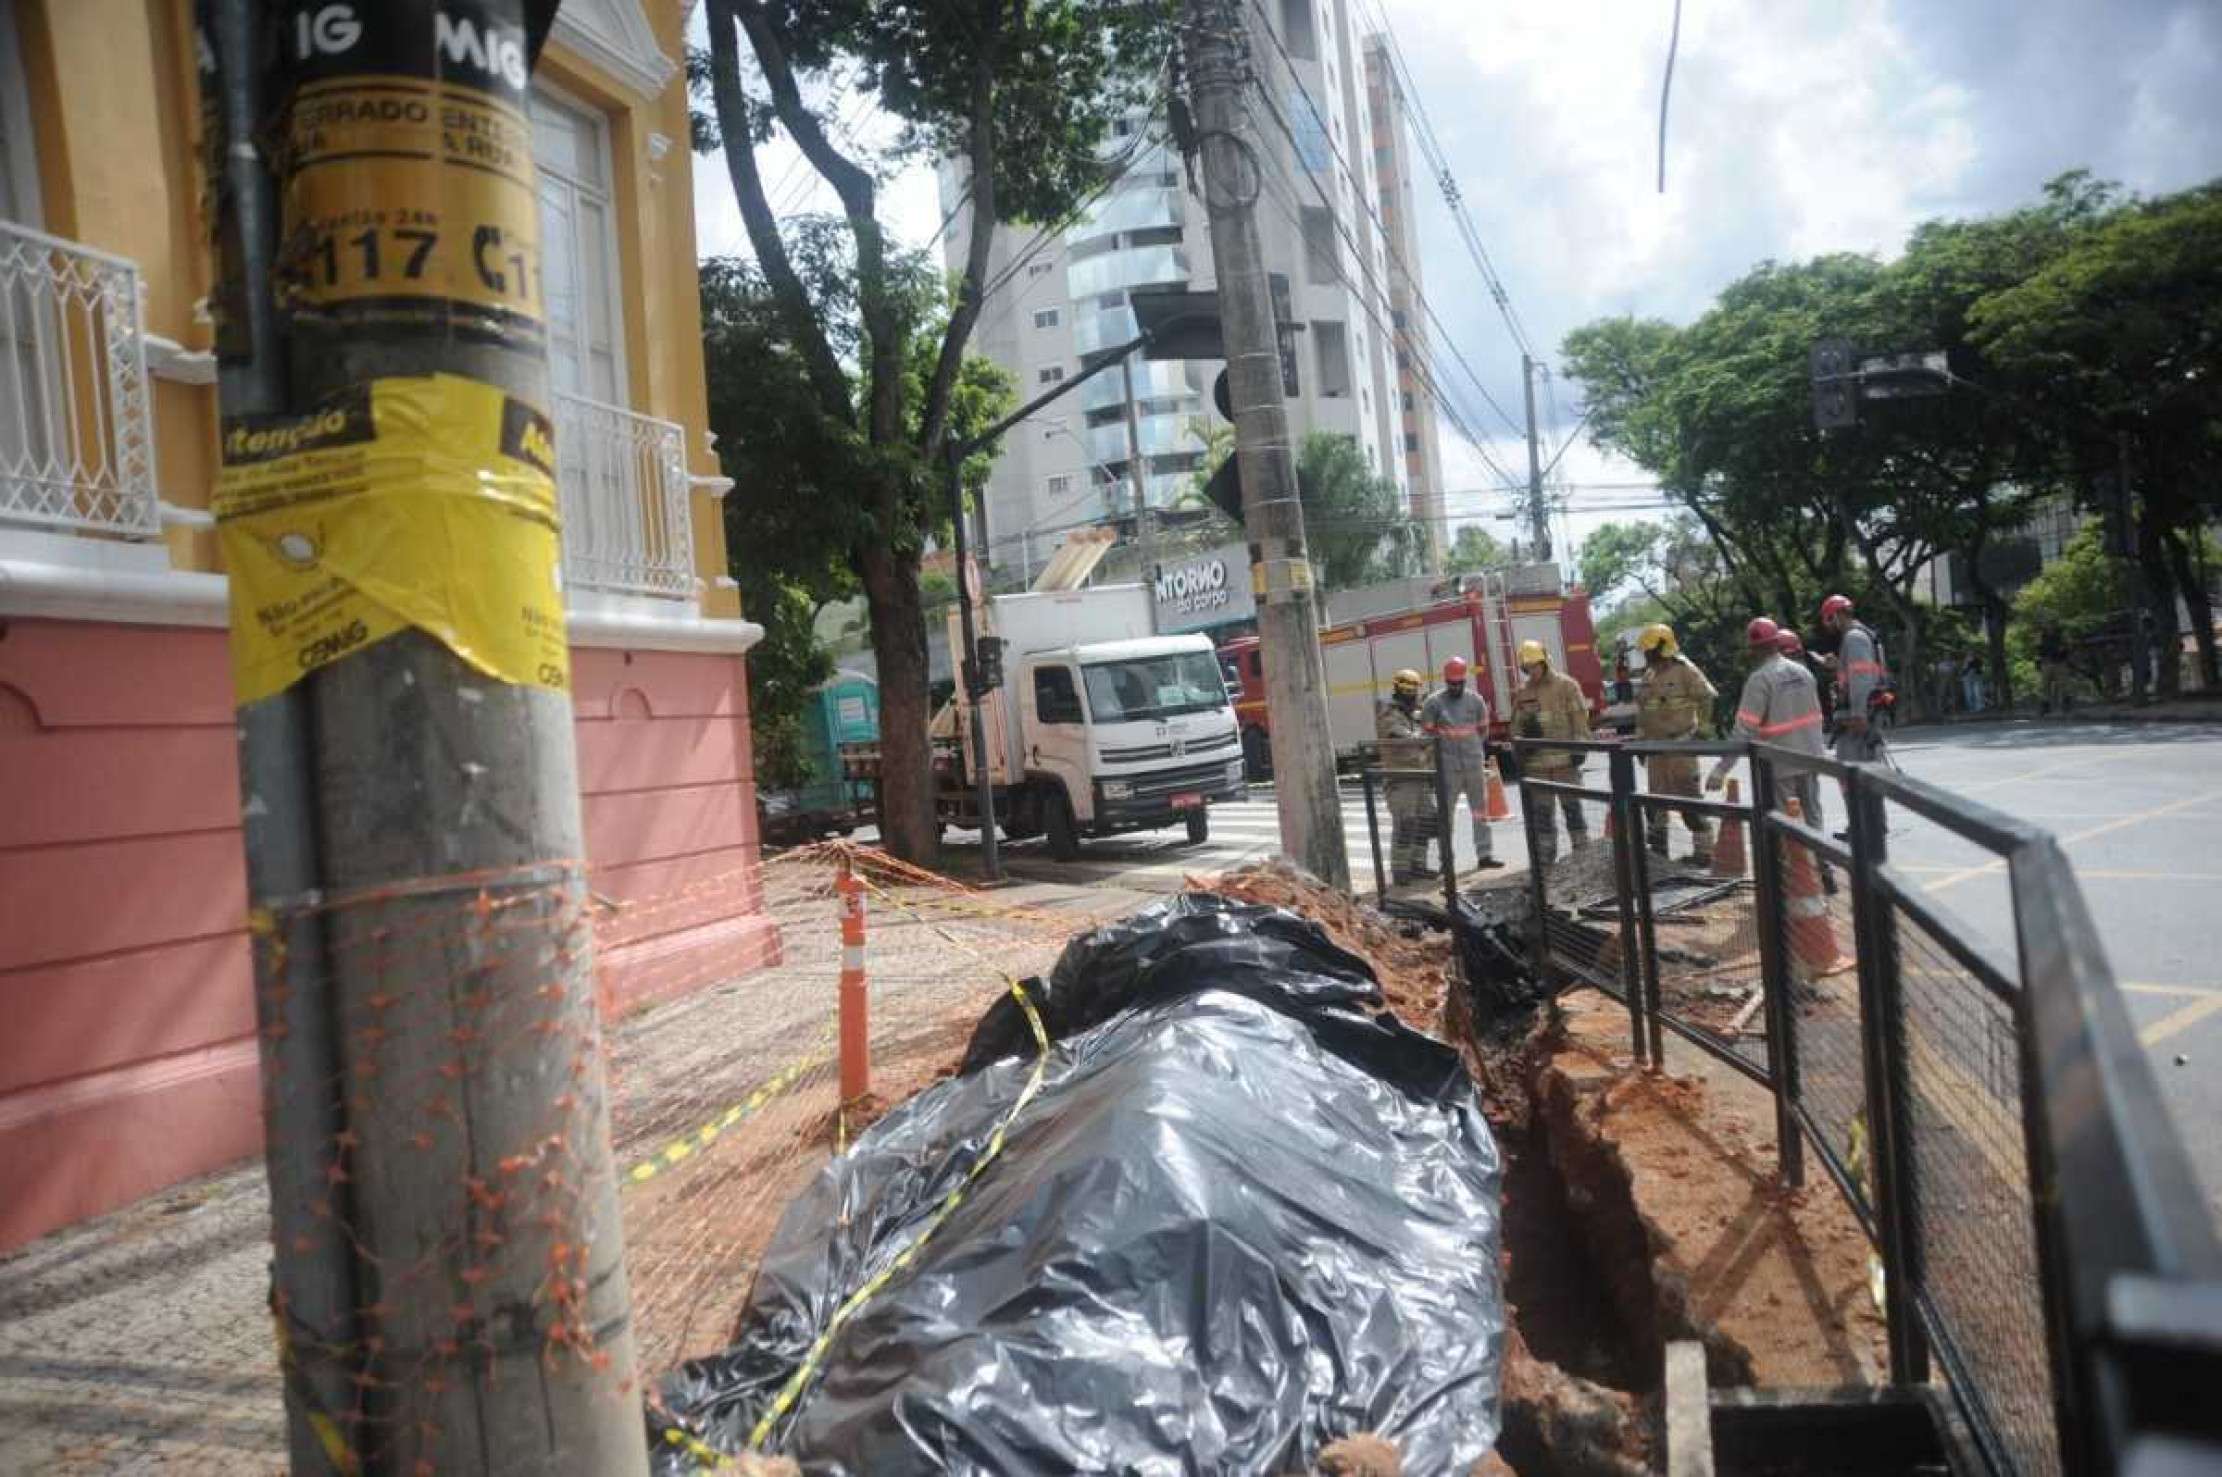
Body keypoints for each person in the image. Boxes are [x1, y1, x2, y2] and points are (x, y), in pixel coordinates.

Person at [1707, 617, 1829, 838]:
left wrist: (1721, 769)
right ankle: (1822, 867)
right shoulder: (1803, 673)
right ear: (1776, 642)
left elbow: (1744, 730)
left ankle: (1793, 871)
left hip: (1780, 762)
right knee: (1813, 817)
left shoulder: (1760, 679)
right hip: (1810, 757)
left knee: (1785, 824)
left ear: (1753, 648)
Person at [1633, 622, 1717, 867]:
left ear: (1663, 647)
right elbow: (1643, 711)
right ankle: (1659, 857)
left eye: (1650, 651)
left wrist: (1701, 730)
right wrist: (1640, 740)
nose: (1647, 656)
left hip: (1681, 746)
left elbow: (1707, 698)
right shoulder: (1649, 676)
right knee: (1656, 805)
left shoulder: (1685, 670)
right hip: (1656, 750)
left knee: (1689, 802)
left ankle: (1704, 854)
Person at [1511, 639, 1592, 864]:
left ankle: (1582, 857)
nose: (1532, 671)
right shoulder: (1523, 692)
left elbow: (1579, 718)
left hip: (1565, 763)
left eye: (1535, 665)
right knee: (1543, 817)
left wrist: (1581, 746)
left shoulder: (1567, 685)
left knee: (1573, 810)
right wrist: (1522, 744)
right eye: (1527, 667)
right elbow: (1515, 727)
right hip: (1537, 767)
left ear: (1545, 662)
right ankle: (1546, 861)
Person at [1421, 655, 1504, 872]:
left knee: (1479, 811)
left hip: (1473, 765)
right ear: (1446, 681)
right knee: (1445, 816)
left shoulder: (1475, 701)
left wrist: (1472, 748)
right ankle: (1446, 861)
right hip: (1448, 768)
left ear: (1465, 680)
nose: (1456, 687)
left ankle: (1485, 855)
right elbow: (1427, 735)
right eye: (1452, 683)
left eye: (1460, 683)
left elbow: (1484, 731)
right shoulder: (1434, 703)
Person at [1375, 668, 1439, 884]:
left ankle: (1418, 866)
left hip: (1420, 777)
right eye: (1410, 692)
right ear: (1400, 691)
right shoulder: (1389, 714)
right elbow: (1409, 740)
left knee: (1427, 822)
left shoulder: (1413, 713)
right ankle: (1401, 871)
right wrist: (1426, 734)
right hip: (1401, 779)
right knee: (1406, 823)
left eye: (1415, 692)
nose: (1414, 696)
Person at [1820, 594, 1888, 766]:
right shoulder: (1862, 635)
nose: (1828, 626)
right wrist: (1838, 666)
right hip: (1867, 713)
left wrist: (1859, 716)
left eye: (1829, 620)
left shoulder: (1854, 638)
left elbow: (1862, 678)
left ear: (1836, 615)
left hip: (1859, 719)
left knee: (1857, 773)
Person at [2038, 625, 2073, 715]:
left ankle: (2066, 704)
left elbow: (2069, 647)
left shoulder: (2061, 637)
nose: (2050, 629)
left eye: (2051, 626)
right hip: (2046, 662)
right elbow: (2038, 649)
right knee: (2045, 685)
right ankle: (2045, 706)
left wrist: (2064, 649)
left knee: (2064, 684)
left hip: (2060, 662)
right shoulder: (2042, 637)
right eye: (2048, 627)